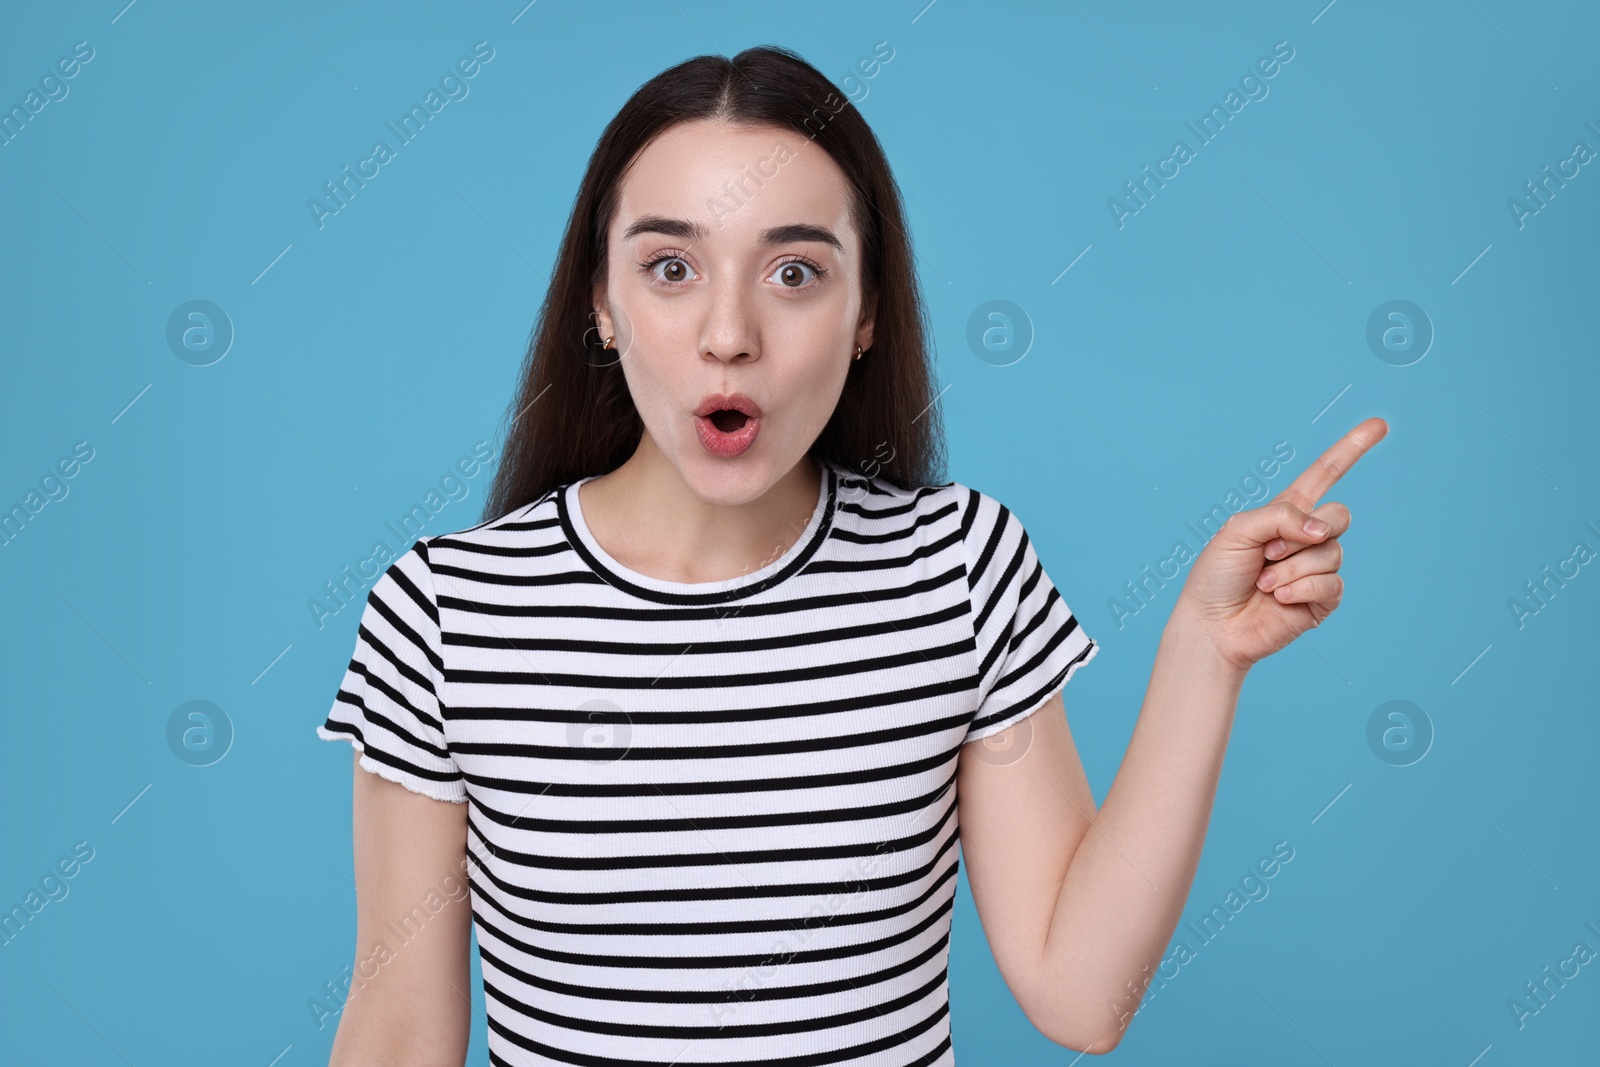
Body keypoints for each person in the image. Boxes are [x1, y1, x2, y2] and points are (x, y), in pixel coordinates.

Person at [315, 44, 1387, 1065]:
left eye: (793, 271)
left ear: (866, 311)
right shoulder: (446, 612)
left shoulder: (957, 569)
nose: (728, 333)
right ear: (601, 302)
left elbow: (1081, 993)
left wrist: (1205, 655)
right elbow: (399, 1027)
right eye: (671, 266)